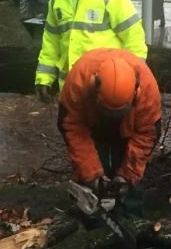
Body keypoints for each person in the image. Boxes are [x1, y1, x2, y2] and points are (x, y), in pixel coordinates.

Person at [35, 0, 147, 103]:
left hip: (107, 86)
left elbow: (134, 39)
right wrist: (44, 79)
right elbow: (51, 43)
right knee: (72, 127)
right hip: (70, 87)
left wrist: (134, 79)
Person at [58, 48, 161, 200]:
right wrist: (92, 175)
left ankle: (128, 212)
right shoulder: (79, 80)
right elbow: (72, 128)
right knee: (89, 178)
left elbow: (147, 134)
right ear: (94, 87)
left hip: (128, 128)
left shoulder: (147, 88)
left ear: (135, 93)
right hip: (93, 123)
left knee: (130, 187)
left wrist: (127, 176)